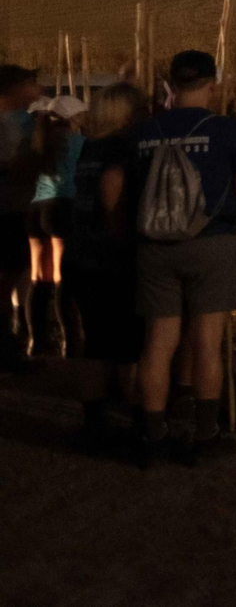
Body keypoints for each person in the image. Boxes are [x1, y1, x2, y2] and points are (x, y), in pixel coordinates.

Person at [132, 50, 236, 467]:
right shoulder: (226, 129)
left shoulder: (144, 131)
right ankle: (206, 433)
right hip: (211, 241)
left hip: (154, 245)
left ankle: (153, 436)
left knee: (157, 342)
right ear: (211, 84)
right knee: (206, 343)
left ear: (171, 85)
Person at [60, 82, 148, 448]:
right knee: (128, 345)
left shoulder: (90, 147)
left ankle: (93, 422)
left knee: (97, 342)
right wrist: (122, 234)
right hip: (109, 258)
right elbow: (112, 187)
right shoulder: (120, 148)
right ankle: (140, 422)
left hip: (80, 254)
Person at [25, 93, 87, 357]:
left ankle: (36, 341)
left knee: (39, 276)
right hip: (62, 206)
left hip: (36, 208)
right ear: (75, 118)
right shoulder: (78, 143)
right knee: (63, 277)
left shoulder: (38, 142)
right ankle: (70, 342)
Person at [0, 65, 42, 369]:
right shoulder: (9, 125)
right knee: (7, 282)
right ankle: (7, 346)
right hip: (9, 211)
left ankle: (12, 342)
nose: (37, 88)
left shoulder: (23, 122)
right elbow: (16, 167)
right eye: (31, 82)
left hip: (18, 210)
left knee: (15, 279)